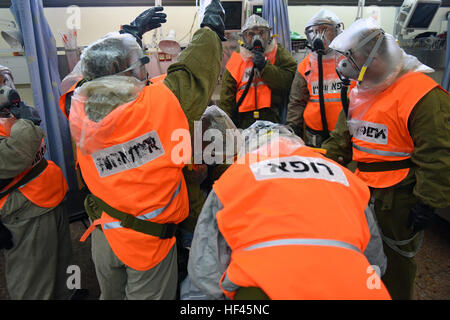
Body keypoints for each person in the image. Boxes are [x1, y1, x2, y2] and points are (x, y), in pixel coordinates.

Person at [67, 1, 226, 300]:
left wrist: (128, 33)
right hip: (147, 242)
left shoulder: (78, 106)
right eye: (139, 64)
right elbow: (194, 73)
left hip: (104, 230)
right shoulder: (159, 102)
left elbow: (93, 73)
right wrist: (211, 29)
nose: (145, 71)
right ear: (128, 72)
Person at [185, 121, 391, 300]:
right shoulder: (346, 178)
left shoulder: (235, 177)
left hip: (263, 290)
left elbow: (205, 270)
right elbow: (376, 261)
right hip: (352, 290)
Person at [321, 18, 450, 299]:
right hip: (361, 191)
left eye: (351, 58)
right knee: (361, 258)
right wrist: (317, 167)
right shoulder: (360, 90)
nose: (345, 66)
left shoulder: (422, 93)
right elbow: (342, 139)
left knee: (395, 266)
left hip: (400, 197)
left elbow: (438, 153)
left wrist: (429, 201)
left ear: (374, 57)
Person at [0, 66, 72, 300]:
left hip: (47, 196)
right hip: (24, 208)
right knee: (32, 278)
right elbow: (16, 155)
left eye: (4, 81)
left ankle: (65, 294)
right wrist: (27, 122)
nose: (5, 88)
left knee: (60, 261)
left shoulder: (7, 115)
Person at [286, 9, 355, 148]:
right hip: (314, 132)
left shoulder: (351, 62)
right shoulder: (306, 65)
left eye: (324, 30)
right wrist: (292, 131)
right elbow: (296, 102)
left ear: (337, 31)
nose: (319, 36)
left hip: (344, 132)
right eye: (315, 31)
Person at [219, 14, 297, 129]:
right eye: (251, 34)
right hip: (244, 121)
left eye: (261, 33)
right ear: (243, 37)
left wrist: (265, 67)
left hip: (272, 118)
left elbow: (290, 80)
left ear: (269, 34)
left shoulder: (277, 52)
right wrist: (226, 128)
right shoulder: (237, 58)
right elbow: (227, 99)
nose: (257, 38)